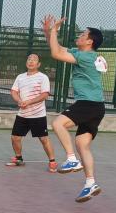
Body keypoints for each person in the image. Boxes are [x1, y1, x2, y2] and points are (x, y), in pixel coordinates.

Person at [43, 14, 107, 202]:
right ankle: (90, 183)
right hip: (97, 107)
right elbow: (58, 48)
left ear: (89, 41)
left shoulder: (85, 56)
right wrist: (49, 32)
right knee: (82, 145)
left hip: (88, 103)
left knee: (58, 124)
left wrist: (55, 30)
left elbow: (56, 54)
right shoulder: (83, 54)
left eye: (82, 35)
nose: (79, 36)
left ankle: (71, 159)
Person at [6, 53, 57, 172]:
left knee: (43, 139)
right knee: (15, 138)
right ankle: (19, 159)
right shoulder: (20, 77)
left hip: (38, 115)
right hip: (22, 114)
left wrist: (29, 102)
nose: (31, 61)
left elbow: (44, 95)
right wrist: (19, 101)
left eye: (34, 60)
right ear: (26, 62)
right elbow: (14, 91)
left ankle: (52, 162)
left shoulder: (43, 77)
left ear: (38, 64)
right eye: (29, 59)